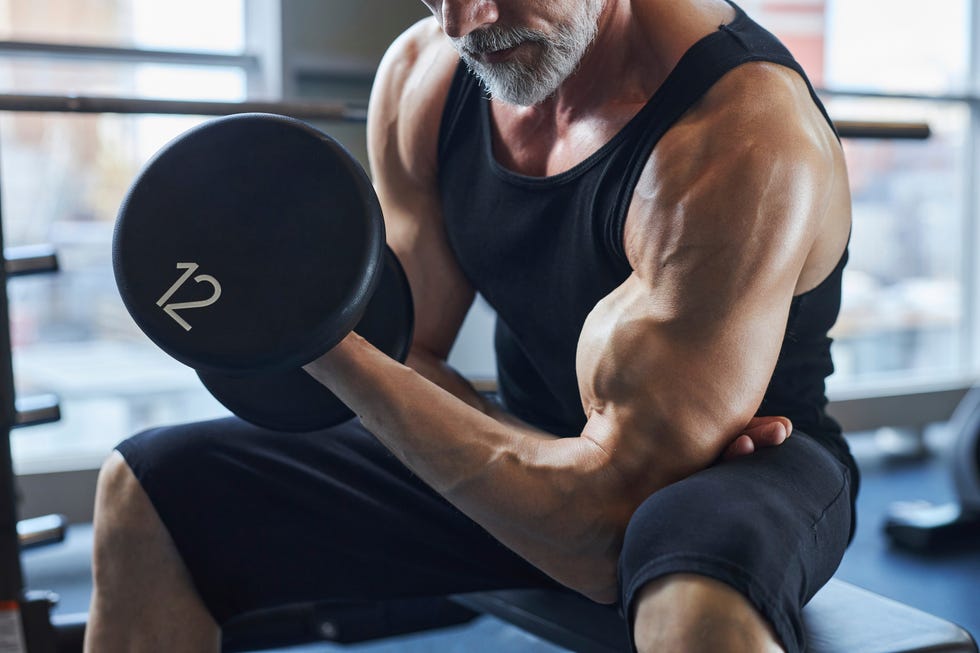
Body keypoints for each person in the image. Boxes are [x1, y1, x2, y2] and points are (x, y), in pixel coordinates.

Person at [84, 0, 858, 651]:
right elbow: (405, 348)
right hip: (524, 438)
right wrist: (465, 415)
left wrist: (318, 338)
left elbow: (598, 535)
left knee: (695, 601)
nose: (466, 20)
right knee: (149, 491)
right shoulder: (428, 77)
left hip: (729, 472)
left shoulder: (738, 134)